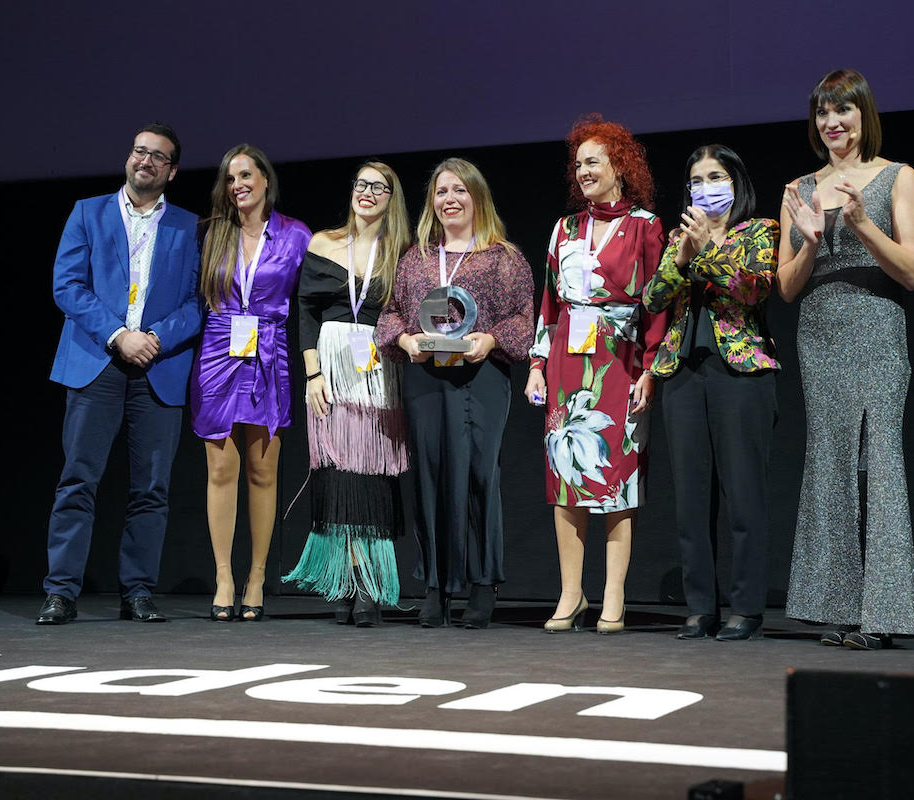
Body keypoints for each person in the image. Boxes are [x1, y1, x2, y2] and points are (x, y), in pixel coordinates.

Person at [777, 68, 914, 650]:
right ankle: (838, 608)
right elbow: (786, 288)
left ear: (864, 113)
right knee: (831, 463)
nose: (831, 122)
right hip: (820, 334)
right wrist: (812, 240)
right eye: (822, 112)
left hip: (877, 328)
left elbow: (912, 272)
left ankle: (884, 614)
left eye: (842, 110)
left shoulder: (898, 178)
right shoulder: (799, 188)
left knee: (881, 462)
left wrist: (862, 224)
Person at [38, 123, 202, 625]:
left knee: (151, 489)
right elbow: (67, 286)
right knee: (78, 480)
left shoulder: (189, 226)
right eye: (139, 151)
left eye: (158, 156)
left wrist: (156, 338)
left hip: (157, 366)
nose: (145, 160)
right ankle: (61, 592)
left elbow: (199, 300)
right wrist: (117, 335)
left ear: (172, 171)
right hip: (97, 363)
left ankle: (138, 591)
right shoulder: (87, 212)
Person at [375, 158, 534, 629]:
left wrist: (492, 339)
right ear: (432, 203)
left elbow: (524, 317)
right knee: (430, 476)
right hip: (426, 378)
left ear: (477, 197)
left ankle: (483, 584)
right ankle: (436, 585)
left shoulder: (503, 257)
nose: (450, 199)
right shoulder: (417, 259)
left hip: (481, 377)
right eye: (442, 192)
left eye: (460, 190)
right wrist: (406, 341)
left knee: (480, 476)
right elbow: (391, 313)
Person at [524, 115, 667, 635]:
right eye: (579, 163)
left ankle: (613, 593)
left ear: (619, 166)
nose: (584, 171)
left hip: (620, 361)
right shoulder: (563, 229)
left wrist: (650, 369)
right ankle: (571, 592)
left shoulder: (647, 226)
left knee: (617, 478)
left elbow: (658, 306)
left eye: (594, 162)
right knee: (566, 474)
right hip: (567, 363)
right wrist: (537, 364)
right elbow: (549, 304)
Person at [643, 144, 780, 642]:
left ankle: (746, 607)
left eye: (716, 177)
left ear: (736, 182)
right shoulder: (679, 236)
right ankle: (701, 607)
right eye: (697, 180)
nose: (706, 187)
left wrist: (707, 253)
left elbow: (754, 289)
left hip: (740, 375)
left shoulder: (759, 231)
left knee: (743, 495)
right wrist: (682, 258)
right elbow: (652, 299)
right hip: (684, 374)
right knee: (690, 501)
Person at [283, 162, 412, 627]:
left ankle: (370, 584)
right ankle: (346, 579)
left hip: (378, 372)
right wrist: (312, 373)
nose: (367, 192)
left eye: (379, 187)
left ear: (392, 198)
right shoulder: (323, 242)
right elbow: (305, 310)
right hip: (331, 369)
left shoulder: (402, 253)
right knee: (337, 472)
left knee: (372, 473)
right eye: (361, 183)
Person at [190, 144, 310, 622]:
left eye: (245, 175)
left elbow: (313, 299)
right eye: (229, 178)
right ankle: (224, 576)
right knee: (221, 470)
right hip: (218, 351)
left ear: (265, 180)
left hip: (269, 352)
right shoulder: (210, 234)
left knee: (263, 472)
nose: (237, 185)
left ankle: (257, 577)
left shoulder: (295, 235)